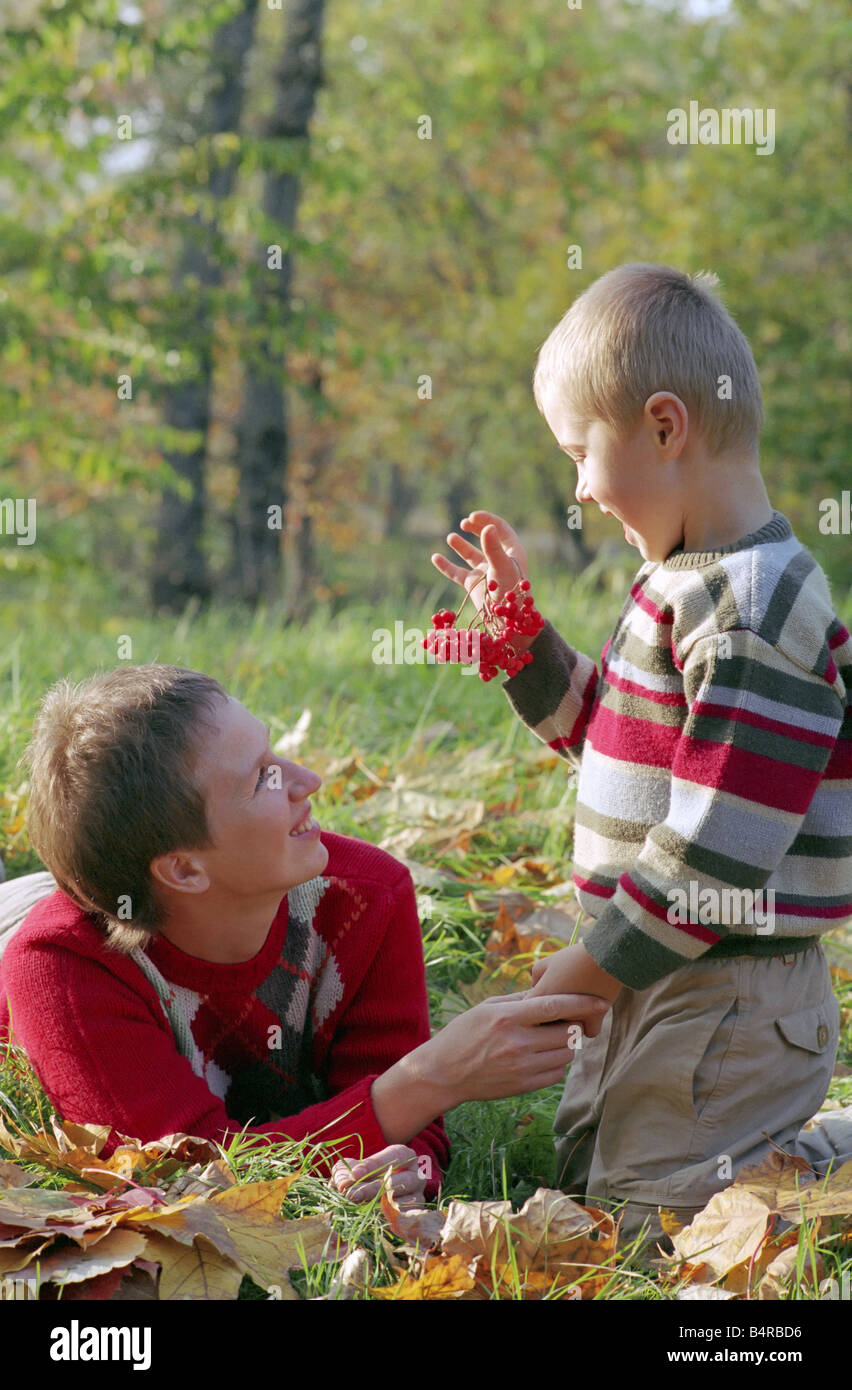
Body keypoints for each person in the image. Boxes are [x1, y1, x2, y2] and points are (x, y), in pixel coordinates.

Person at [431, 262, 852, 1247]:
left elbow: (717, 850)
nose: (579, 485)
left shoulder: (753, 605)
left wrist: (591, 966)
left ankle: (823, 1162)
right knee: (584, 1179)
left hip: (731, 993)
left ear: (666, 427)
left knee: (655, 1231)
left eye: (582, 452)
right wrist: (523, 647)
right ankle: (790, 1153)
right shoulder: (683, 580)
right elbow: (610, 736)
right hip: (657, 969)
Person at [0, 665, 608, 1209]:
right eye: (263, 778)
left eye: (277, 754)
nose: (307, 779)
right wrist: (431, 1077)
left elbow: (414, 1137)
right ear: (184, 868)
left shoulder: (366, 898)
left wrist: (403, 1179)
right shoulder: (60, 966)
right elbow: (184, 1178)